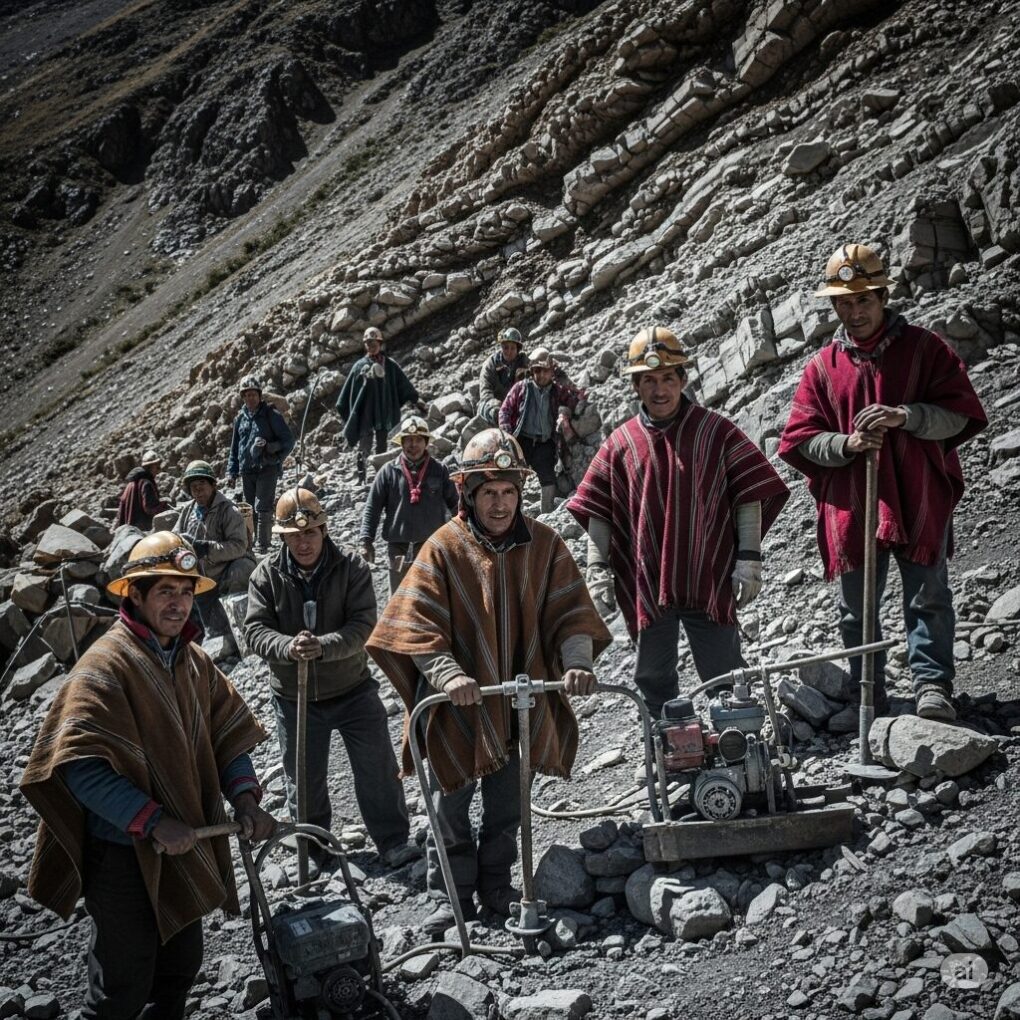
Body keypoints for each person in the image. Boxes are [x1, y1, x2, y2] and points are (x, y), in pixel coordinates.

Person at [20, 532, 275, 1020]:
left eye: (185, 593)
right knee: (121, 987)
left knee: (179, 970)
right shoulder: (104, 666)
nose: (179, 605)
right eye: (165, 592)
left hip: (182, 841)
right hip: (122, 853)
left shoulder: (192, 660)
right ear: (133, 595)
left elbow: (227, 737)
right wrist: (152, 820)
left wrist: (245, 799)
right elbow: (78, 768)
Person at [366, 428, 612, 934]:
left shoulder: (545, 545)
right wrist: (448, 674)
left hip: (516, 703)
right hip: (458, 704)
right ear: (469, 494)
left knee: (508, 803)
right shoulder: (442, 548)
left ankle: (498, 886)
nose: (500, 505)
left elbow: (571, 614)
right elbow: (415, 626)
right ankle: (451, 896)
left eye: (508, 493)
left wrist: (578, 662)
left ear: (520, 493)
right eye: (489, 493)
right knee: (449, 804)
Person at [778, 244, 987, 722]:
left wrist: (905, 416)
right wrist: (847, 445)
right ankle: (867, 690)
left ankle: (932, 685)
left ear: (882, 295)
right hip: (853, 504)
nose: (854, 313)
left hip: (917, 493)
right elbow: (800, 439)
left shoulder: (925, 349)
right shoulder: (822, 368)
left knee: (927, 594)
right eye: (844, 304)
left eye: (863, 301)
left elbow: (959, 416)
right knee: (856, 607)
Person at [566, 326, 790, 720]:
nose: (659, 389)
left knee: (725, 668)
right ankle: (668, 740)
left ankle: (735, 738)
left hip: (709, 573)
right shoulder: (620, 443)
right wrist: (598, 568)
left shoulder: (714, 430)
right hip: (647, 581)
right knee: (653, 673)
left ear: (683, 379)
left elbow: (748, 491)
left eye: (668, 378)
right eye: (648, 380)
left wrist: (749, 558)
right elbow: (598, 509)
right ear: (636, 386)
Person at [243, 487, 421, 872]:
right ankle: (316, 850)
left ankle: (392, 841)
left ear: (324, 529)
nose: (302, 542)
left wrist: (322, 646)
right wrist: (287, 647)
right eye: (293, 535)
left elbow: (363, 626)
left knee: (377, 768)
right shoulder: (266, 576)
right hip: (295, 698)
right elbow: (255, 631)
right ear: (282, 537)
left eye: (309, 533)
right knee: (304, 780)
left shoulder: (352, 568)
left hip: (353, 690)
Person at [359, 415, 459, 593]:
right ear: (401, 443)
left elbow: (456, 505)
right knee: (398, 596)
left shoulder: (439, 470)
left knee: (430, 594)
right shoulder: (388, 472)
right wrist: (366, 540)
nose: (413, 445)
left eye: (419, 440)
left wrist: (465, 535)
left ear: (426, 442)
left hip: (431, 545)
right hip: (397, 547)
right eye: (409, 440)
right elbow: (372, 508)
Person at [173, 459, 256, 638]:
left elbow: (239, 546)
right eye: (193, 486)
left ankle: (242, 625)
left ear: (212, 484)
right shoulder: (188, 511)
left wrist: (207, 549)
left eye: (202, 483)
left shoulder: (228, 510)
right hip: (200, 577)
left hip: (226, 574)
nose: (198, 489)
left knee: (242, 568)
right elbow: (174, 537)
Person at [335, 327, 428, 485]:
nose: (371, 346)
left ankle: (383, 476)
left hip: (384, 414)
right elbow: (348, 395)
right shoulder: (359, 366)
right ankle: (361, 477)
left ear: (380, 343)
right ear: (365, 345)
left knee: (382, 446)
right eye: (368, 343)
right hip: (366, 415)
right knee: (364, 446)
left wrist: (415, 399)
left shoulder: (390, 365)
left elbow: (403, 384)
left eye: (374, 342)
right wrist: (351, 417)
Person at [498, 346, 582, 513]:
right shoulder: (521, 388)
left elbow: (576, 397)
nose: (541, 375)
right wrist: (507, 434)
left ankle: (546, 518)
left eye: (546, 371)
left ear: (552, 372)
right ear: (532, 371)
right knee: (513, 478)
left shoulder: (557, 391)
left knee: (548, 479)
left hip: (545, 443)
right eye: (537, 371)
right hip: (522, 440)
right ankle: (511, 515)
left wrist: (562, 377)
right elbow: (505, 410)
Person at [227, 375, 295, 555]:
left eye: (253, 395)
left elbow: (288, 440)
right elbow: (234, 448)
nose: (250, 398)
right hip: (247, 471)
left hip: (267, 467)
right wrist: (232, 472)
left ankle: (263, 545)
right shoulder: (240, 419)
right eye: (247, 395)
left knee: (262, 507)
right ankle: (251, 543)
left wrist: (272, 449)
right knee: (248, 509)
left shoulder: (271, 415)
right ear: (243, 397)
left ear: (259, 395)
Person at [478, 326, 530, 424]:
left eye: (513, 348)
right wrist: (497, 406)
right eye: (506, 347)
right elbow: (485, 391)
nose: (509, 352)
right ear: (501, 347)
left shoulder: (524, 362)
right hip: (496, 405)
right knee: (483, 407)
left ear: (518, 349)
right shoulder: (490, 364)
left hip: (517, 405)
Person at [113, 449, 171, 531]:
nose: (159, 470)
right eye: (157, 466)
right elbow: (150, 508)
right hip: (142, 530)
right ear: (149, 466)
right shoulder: (146, 483)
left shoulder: (132, 483)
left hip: (129, 530)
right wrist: (164, 504)